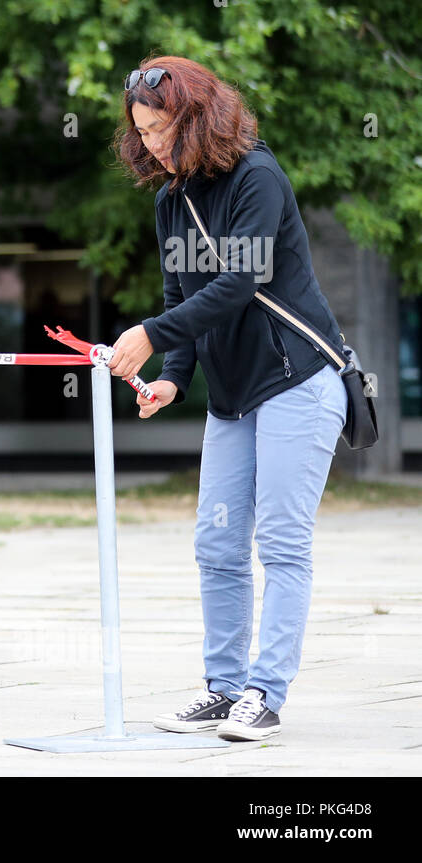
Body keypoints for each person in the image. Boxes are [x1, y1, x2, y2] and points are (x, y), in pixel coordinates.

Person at [106, 56, 348, 742]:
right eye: (142, 131)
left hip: (298, 380)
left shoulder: (258, 177)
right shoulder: (169, 201)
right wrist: (173, 377)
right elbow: (183, 300)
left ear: (196, 114)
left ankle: (264, 693)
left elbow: (238, 283)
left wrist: (150, 336)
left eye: (161, 127)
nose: (150, 143)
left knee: (280, 542)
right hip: (233, 396)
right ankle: (223, 687)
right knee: (215, 543)